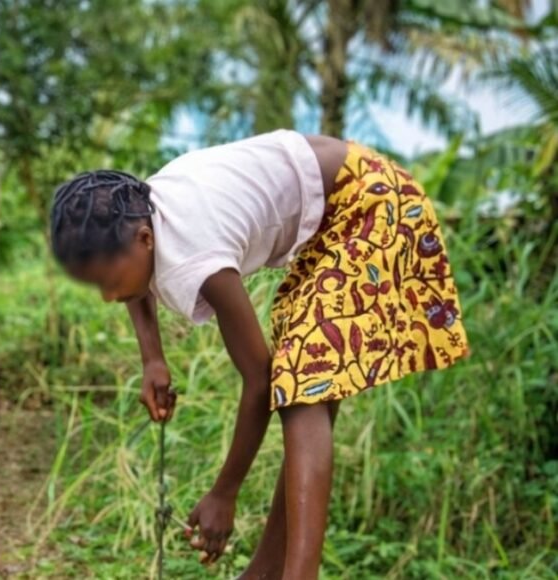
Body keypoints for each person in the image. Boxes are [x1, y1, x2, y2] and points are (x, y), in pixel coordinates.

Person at [48, 131, 469, 579]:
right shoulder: (137, 210)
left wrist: (224, 492)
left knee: (306, 384)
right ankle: (265, 572)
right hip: (338, 210)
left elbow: (260, 378)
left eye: (108, 281)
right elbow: (135, 283)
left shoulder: (194, 253)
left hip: (371, 203)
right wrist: (153, 357)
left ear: (146, 239)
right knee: (311, 384)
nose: (109, 296)